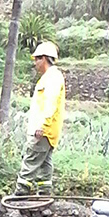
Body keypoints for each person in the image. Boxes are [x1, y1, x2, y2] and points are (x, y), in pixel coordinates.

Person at [15, 41, 65, 196]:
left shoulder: (52, 78)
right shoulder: (49, 77)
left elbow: (51, 103)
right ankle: (44, 192)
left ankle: (21, 191)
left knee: (31, 158)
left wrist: (42, 126)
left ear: (44, 58)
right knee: (45, 162)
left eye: (37, 59)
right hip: (48, 130)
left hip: (44, 129)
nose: (35, 63)